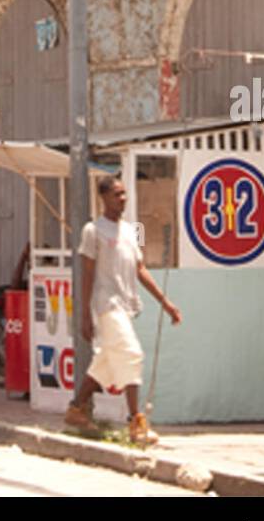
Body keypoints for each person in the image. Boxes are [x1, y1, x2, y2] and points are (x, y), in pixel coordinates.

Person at [64, 175, 182, 447]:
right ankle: (136, 422)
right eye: (117, 194)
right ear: (103, 197)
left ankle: (76, 409)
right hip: (107, 305)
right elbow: (87, 273)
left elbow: (140, 269)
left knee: (106, 362)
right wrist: (84, 315)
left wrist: (165, 302)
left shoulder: (131, 230)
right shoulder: (93, 230)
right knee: (131, 353)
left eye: (124, 193)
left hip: (126, 304)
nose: (123, 198)